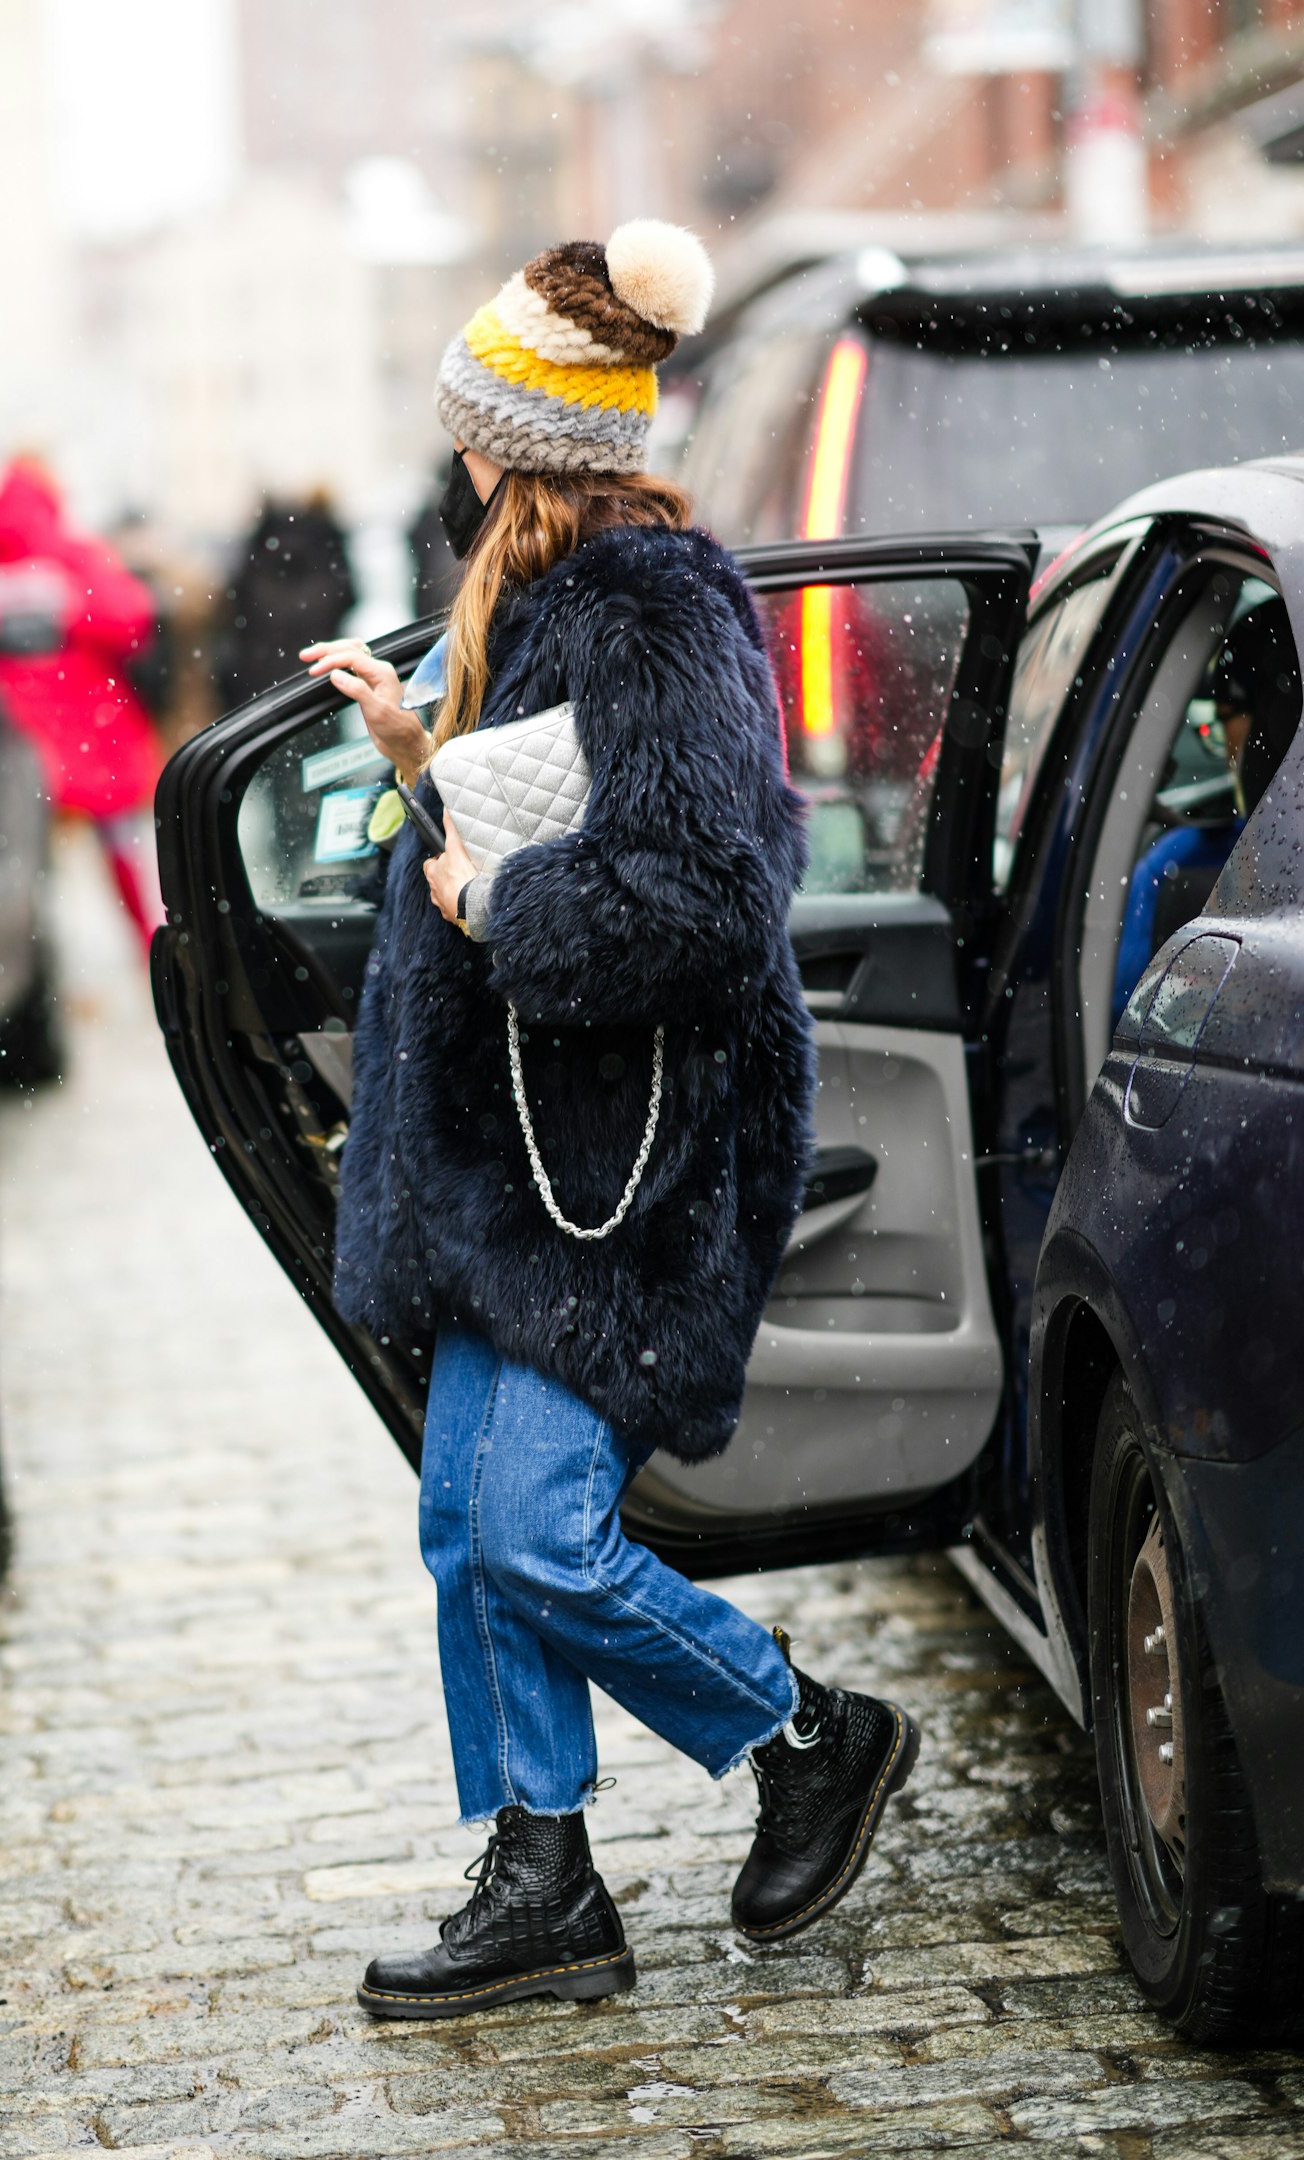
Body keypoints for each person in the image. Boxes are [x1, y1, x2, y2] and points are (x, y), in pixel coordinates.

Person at [301, 220, 920, 2022]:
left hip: (622, 1161)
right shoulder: (537, 602)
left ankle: (802, 1732)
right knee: (465, 1527)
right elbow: (548, 807)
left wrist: (502, 910)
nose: (456, 454)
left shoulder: (649, 605)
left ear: (521, 440)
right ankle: (541, 1872)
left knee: (534, 1534)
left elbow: (708, 895)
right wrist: (428, 757)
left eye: (471, 424)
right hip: (525, 1153)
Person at [0, 456, 163, 954]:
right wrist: (70, 612)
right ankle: (157, 960)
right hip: (94, 734)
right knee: (126, 863)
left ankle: (54, 982)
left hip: (16, 746)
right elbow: (132, 618)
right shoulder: (70, 554)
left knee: (29, 876)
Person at [1112, 597, 1301, 1020]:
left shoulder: (1178, 866)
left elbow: (1130, 1015)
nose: (1228, 752)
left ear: (1272, 727)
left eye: (1225, 722)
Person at [213, 490, 356, 712]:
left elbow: (230, 620)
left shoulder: (255, 565)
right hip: (317, 697)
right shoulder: (328, 564)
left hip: (257, 703)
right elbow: (348, 601)